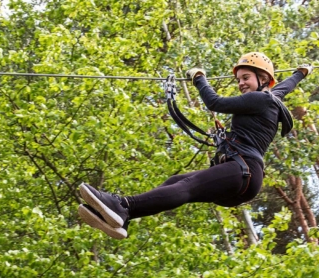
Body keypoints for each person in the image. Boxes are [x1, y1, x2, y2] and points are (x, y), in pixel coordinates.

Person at [77, 52, 313, 240]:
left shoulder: (260, 98)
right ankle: (123, 217)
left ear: (262, 80)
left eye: (245, 78)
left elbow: (215, 102)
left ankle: (122, 205)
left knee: (187, 185)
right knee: (175, 182)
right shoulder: (271, 97)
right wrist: (300, 73)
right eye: (238, 79)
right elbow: (286, 86)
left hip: (244, 171)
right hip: (243, 176)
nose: (240, 83)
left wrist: (199, 78)